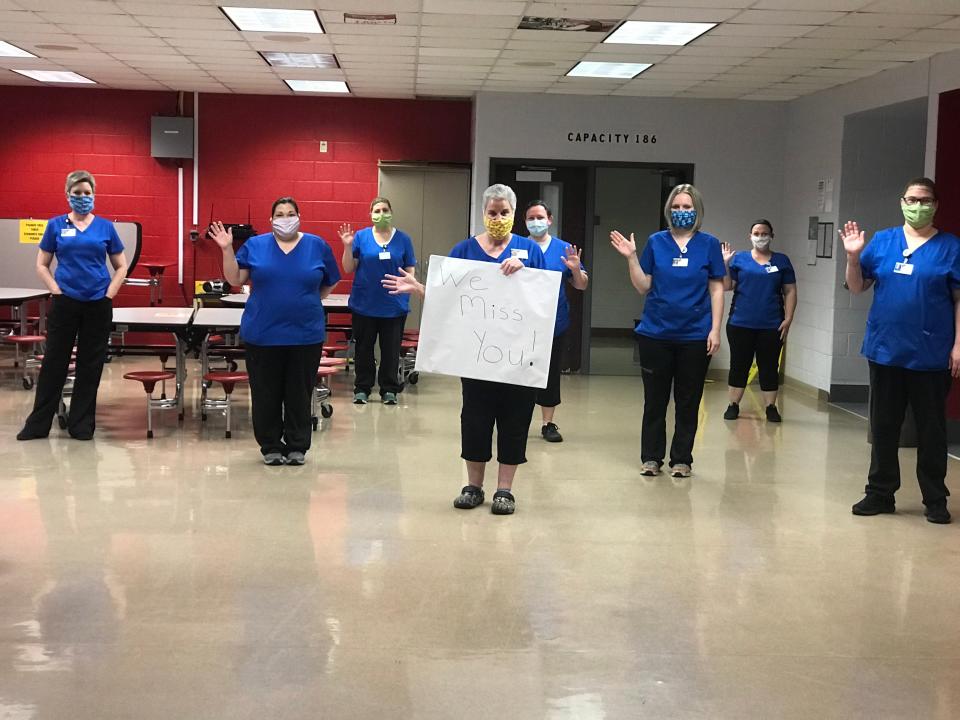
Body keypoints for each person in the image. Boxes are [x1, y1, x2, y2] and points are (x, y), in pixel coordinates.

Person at [382, 184, 545, 515]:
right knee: (475, 418)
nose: (498, 218)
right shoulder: (464, 250)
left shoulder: (530, 250)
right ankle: (473, 486)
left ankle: (505, 490)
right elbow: (449, 298)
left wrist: (525, 272)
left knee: (515, 419)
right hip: (476, 357)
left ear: (514, 215)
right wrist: (419, 288)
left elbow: (545, 298)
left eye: (504, 212)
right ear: (483, 214)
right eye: (492, 212)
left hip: (518, 357)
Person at [843, 177, 960, 525]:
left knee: (931, 430)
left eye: (924, 200)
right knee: (883, 427)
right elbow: (857, 286)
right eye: (911, 199)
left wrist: (958, 345)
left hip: (930, 353)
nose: (918, 205)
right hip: (885, 349)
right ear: (901, 202)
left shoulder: (951, 247)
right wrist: (853, 257)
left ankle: (935, 499)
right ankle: (880, 493)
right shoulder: (882, 241)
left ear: (935, 204)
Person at [209, 197, 341, 466]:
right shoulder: (255, 246)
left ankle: (297, 446)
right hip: (263, 333)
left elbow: (327, 285)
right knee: (266, 393)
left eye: (290, 213)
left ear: (299, 216)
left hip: (305, 334)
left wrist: (304, 299)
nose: (285, 218)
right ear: (271, 220)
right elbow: (235, 279)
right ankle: (270, 444)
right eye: (279, 214)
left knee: (299, 392)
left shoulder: (317, 245)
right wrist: (226, 250)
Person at [610, 183, 725, 478]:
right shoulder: (657, 241)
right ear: (668, 210)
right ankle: (651, 457)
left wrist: (715, 329)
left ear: (696, 210)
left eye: (687, 207)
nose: (681, 212)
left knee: (688, 400)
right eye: (676, 207)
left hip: (695, 336)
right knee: (655, 401)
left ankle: (682, 459)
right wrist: (632, 258)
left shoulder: (709, 244)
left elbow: (716, 290)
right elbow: (643, 286)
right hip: (656, 334)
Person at [18, 170, 128, 441]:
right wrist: (56, 291)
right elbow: (41, 264)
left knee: (90, 365)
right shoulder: (56, 225)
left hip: (97, 304)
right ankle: (37, 425)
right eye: (77, 193)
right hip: (66, 302)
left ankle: (81, 425)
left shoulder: (105, 227)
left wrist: (109, 294)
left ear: (94, 195)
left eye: (87, 193)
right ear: (67, 195)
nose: (82, 198)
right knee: (55, 361)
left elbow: (121, 265)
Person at [338, 197, 416, 405]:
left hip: (394, 306)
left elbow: (410, 271)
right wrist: (347, 246)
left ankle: (389, 389)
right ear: (370, 214)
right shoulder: (361, 237)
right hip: (365, 304)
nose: (381, 214)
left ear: (391, 212)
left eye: (385, 210)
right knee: (364, 349)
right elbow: (348, 268)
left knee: (390, 350)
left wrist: (408, 285)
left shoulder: (404, 240)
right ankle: (362, 388)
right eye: (377, 210)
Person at [720, 219, 797, 422]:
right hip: (740, 323)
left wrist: (788, 318)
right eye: (756, 233)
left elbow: (790, 291)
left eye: (764, 233)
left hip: (772, 324)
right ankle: (733, 404)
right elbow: (728, 286)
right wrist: (725, 264)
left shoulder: (781, 261)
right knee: (739, 365)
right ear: (750, 236)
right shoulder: (740, 260)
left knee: (769, 366)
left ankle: (771, 407)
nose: (760, 237)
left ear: (771, 236)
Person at [524, 200, 588, 442]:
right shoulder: (517, 246)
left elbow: (581, 285)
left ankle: (548, 424)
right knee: (521, 373)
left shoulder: (564, 249)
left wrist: (574, 269)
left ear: (550, 220)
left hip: (554, 322)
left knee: (550, 374)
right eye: (531, 218)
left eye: (540, 217)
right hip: (521, 324)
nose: (536, 222)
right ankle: (517, 420)